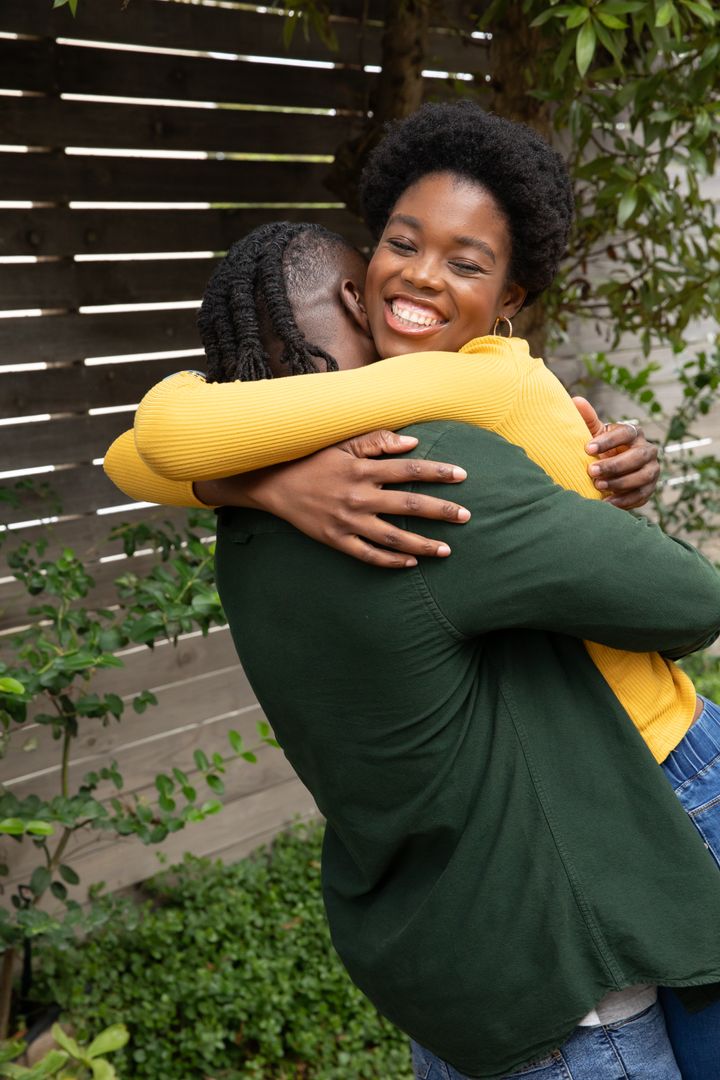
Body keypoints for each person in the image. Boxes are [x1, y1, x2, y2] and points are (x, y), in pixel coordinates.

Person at [104, 105, 720, 1079]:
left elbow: (158, 436)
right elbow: (156, 442)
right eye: (403, 241)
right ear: (362, 278)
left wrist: (251, 482)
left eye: (467, 263)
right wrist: (273, 475)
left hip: (658, 769)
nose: (424, 277)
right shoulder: (398, 453)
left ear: (513, 295)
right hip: (604, 803)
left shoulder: (478, 398)